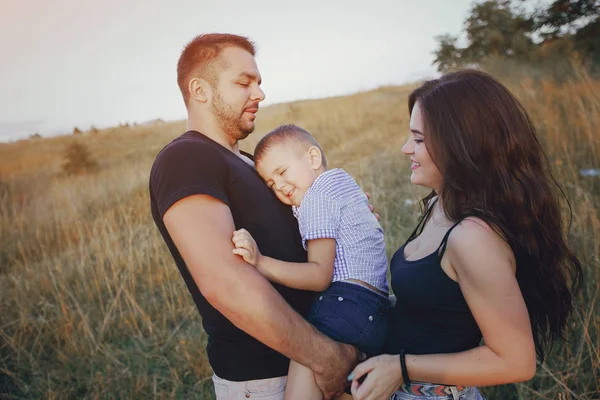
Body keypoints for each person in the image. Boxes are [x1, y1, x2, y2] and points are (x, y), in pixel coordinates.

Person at [348, 69, 583, 400]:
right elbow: (432, 304)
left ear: (460, 145)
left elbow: (517, 362)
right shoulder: (439, 204)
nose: (405, 148)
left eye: (418, 139)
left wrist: (400, 367)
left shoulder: (473, 238)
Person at [149, 34, 360, 400]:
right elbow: (225, 282)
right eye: (244, 82)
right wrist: (325, 357)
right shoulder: (186, 158)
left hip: (314, 364)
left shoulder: (248, 161)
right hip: (270, 380)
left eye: (258, 83)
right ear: (200, 90)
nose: (259, 94)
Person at [231, 124, 391, 399]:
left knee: (305, 368)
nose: (279, 185)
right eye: (271, 184)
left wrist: (260, 262)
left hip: (344, 305)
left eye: (282, 172)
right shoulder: (341, 183)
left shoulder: (317, 197)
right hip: (375, 310)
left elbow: (319, 276)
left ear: (313, 158)